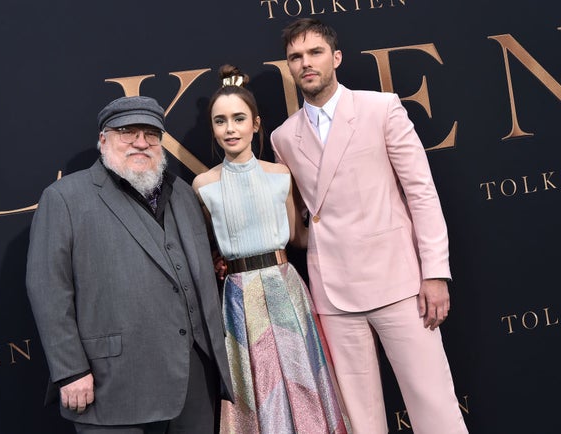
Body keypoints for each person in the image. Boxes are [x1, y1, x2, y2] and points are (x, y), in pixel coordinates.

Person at [270, 18, 469, 434]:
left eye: (315, 52)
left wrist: (434, 272)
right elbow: (301, 218)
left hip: (398, 281)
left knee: (434, 406)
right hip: (334, 292)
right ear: (288, 67)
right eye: (296, 57)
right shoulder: (283, 137)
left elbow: (421, 193)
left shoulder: (381, 108)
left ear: (335, 57)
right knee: (360, 420)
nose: (306, 63)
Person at [26, 95, 233, 434]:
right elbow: (48, 289)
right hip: (112, 383)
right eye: (127, 131)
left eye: (151, 133)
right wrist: (70, 370)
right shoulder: (64, 198)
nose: (141, 142)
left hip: (192, 379)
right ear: (103, 139)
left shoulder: (181, 193)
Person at [192, 64, 350, 434]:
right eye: (220, 121)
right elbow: (207, 247)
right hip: (238, 296)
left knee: (303, 379)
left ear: (256, 124)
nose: (230, 128)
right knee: (255, 387)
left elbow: (298, 238)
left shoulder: (280, 175)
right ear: (212, 128)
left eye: (238, 118)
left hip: (285, 287)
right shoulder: (203, 185)